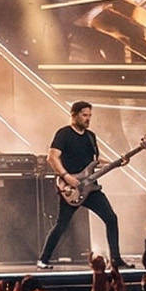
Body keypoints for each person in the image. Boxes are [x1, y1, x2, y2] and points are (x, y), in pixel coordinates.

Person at [38, 100, 127, 268]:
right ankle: (43, 260)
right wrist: (66, 176)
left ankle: (116, 259)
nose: (88, 119)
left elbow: (94, 161)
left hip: (90, 188)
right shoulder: (63, 134)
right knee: (62, 224)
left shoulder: (90, 136)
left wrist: (115, 162)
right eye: (84, 115)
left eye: (90, 116)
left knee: (111, 218)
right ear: (74, 115)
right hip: (70, 188)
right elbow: (52, 157)